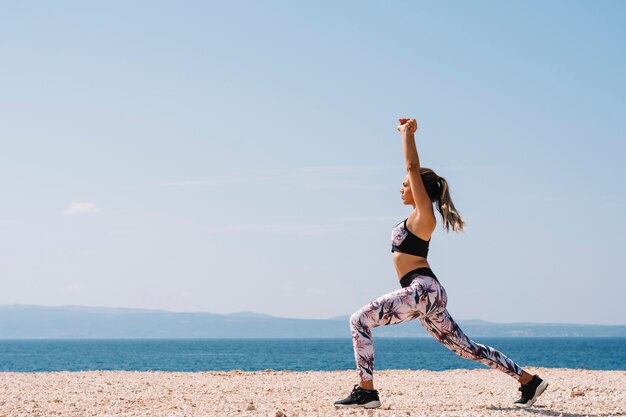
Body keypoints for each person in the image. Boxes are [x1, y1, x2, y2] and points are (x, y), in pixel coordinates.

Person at [334, 118, 548, 409]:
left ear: (419, 189)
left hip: (423, 290)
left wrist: (406, 134)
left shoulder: (425, 216)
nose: (401, 188)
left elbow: (411, 166)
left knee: (359, 320)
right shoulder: (415, 217)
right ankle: (529, 381)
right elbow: (410, 175)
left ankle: (367, 391)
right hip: (426, 292)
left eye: (405, 185)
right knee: (467, 349)